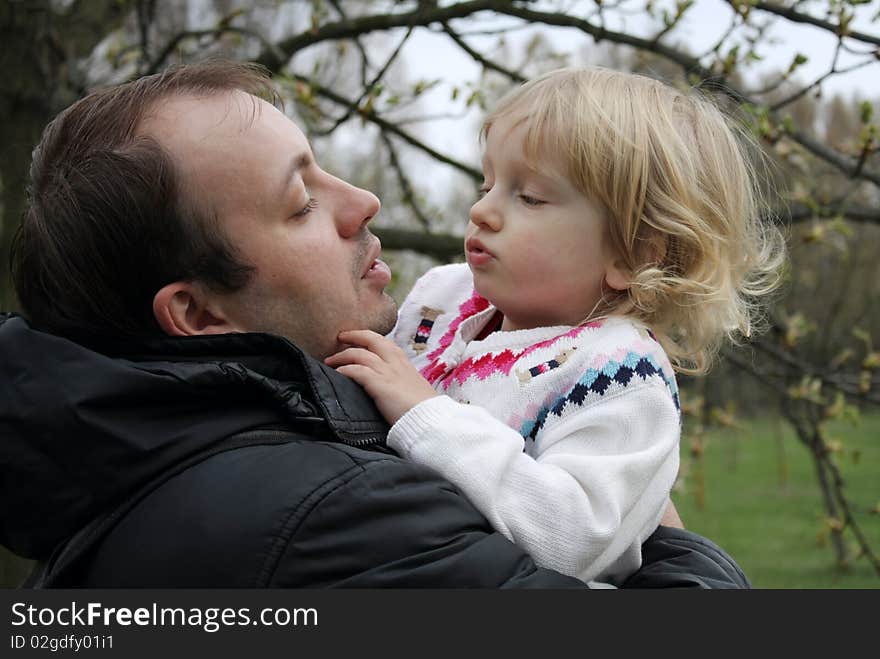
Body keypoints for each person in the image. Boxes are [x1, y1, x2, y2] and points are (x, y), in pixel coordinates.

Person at [0, 60, 749, 588]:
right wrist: (681, 551)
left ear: (631, 253)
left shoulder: (129, 447)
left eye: (531, 196)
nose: (364, 200)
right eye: (301, 203)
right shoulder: (333, 520)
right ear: (197, 313)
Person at [326, 67, 783, 584]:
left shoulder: (619, 375)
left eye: (530, 198)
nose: (482, 211)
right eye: (488, 184)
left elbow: (573, 540)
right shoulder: (441, 300)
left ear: (634, 256)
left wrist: (427, 416)